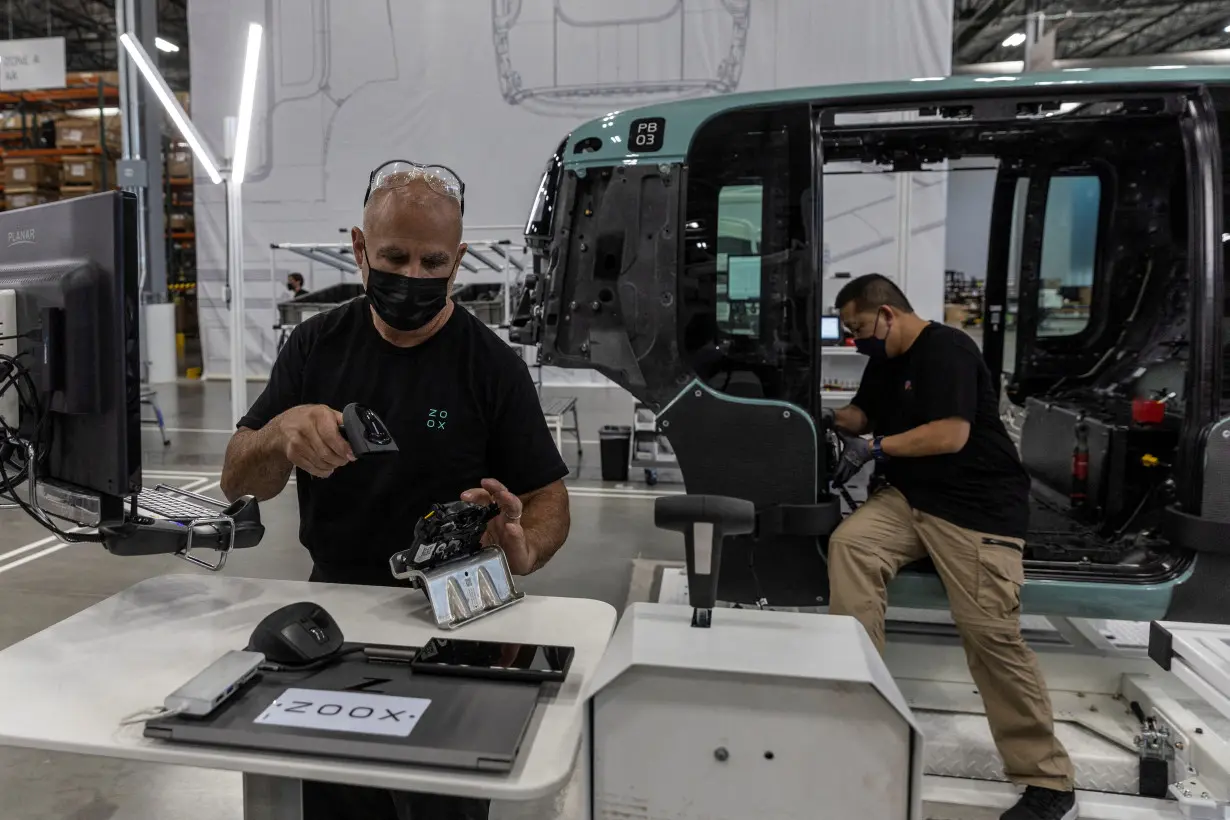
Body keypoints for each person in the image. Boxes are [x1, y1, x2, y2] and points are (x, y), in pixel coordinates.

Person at [220, 160, 571, 820]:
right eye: (394, 257)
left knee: (441, 804)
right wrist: (277, 436)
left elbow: (549, 498)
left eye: (432, 262)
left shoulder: (491, 368)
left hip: (460, 619)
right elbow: (238, 479)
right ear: (359, 248)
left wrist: (525, 549)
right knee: (336, 801)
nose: (412, 278)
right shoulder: (314, 348)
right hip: (335, 617)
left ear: (458, 260)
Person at [824, 274, 1077, 820]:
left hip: (973, 507)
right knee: (850, 548)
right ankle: (861, 711)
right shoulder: (886, 358)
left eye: (859, 328)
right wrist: (822, 413)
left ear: (887, 314)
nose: (855, 340)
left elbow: (949, 435)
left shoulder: (948, 350)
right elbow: (864, 414)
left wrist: (874, 447)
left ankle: (1047, 779)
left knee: (990, 636)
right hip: (909, 498)